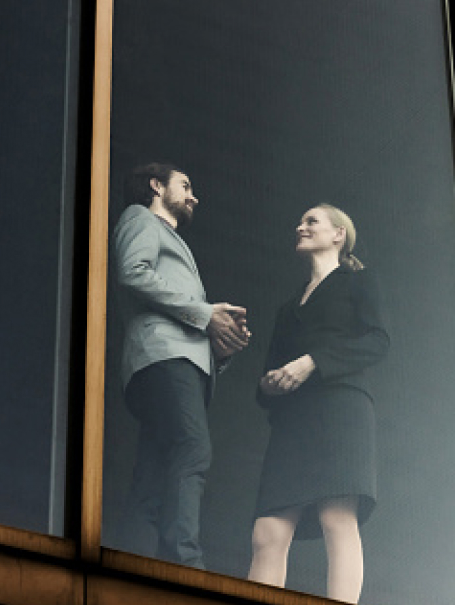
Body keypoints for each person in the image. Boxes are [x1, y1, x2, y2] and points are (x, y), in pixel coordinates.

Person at [247, 204, 389, 603]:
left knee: (336, 517)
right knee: (268, 531)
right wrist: (272, 384)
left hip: (341, 409)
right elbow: (267, 378)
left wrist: (313, 363)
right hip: (294, 418)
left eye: (312, 221)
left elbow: (378, 342)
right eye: (301, 221)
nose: (301, 226)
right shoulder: (287, 308)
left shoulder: (360, 283)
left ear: (338, 234)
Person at [113, 162, 250, 568]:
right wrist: (205, 314)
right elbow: (131, 272)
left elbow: (190, 316)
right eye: (185, 185)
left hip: (176, 362)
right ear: (156, 186)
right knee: (193, 447)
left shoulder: (173, 240)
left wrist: (220, 346)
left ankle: (130, 565)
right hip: (162, 357)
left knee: (152, 477)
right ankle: (185, 566)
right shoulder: (139, 218)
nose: (194, 196)